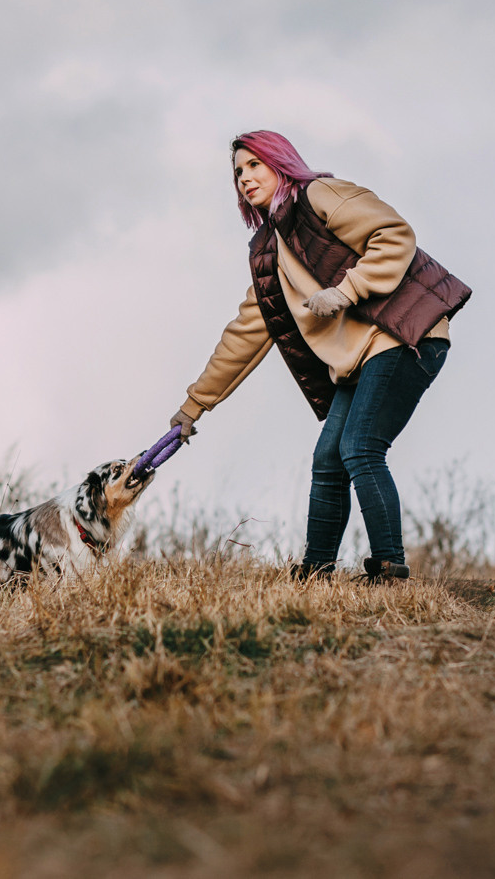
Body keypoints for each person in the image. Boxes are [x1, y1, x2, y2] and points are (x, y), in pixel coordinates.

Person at [170, 131, 471, 582]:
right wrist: (194, 405)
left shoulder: (320, 194)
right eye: (238, 172)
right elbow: (244, 335)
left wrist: (346, 290)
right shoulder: (269, 254)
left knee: (360, 447)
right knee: (328, 459)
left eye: (254, 164)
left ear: (279, 162)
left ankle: (388, 566)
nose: (245, 178)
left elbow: (393, 234)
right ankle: (316, 571)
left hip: (404, 335)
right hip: (361, 357)